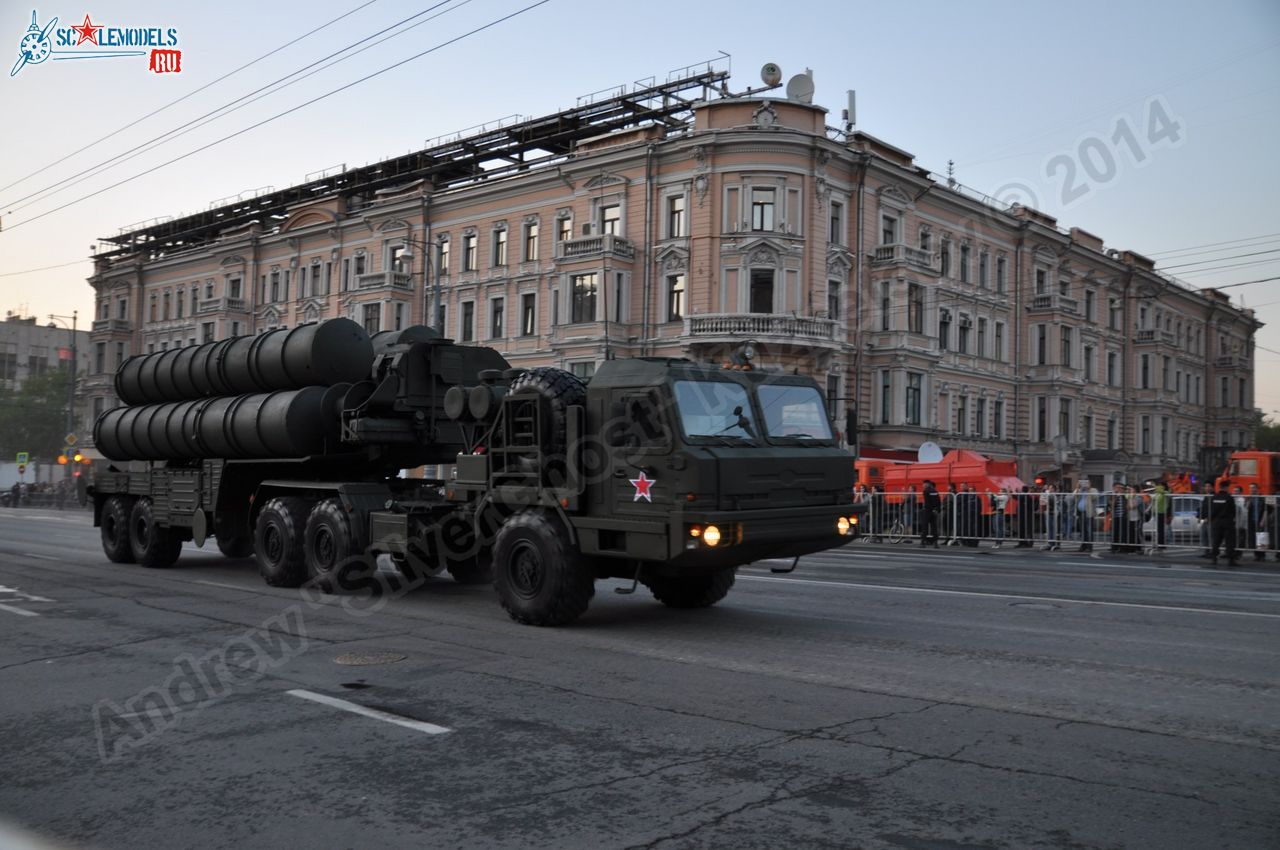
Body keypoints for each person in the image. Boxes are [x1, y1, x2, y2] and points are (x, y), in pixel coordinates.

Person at [1208, 480, 1239, 567]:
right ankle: (1230, 560)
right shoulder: (1229, 497)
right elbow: (1233, 511)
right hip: (1227, 522)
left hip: (1217, 522)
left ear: (1220, 487)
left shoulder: (1214, 497)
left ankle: (1214, 559)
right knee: (1229, 542)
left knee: (1216, 541)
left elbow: (1212, 511)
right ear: (1226, 487)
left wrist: (1213, 519)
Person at [1247, 483, 1267, 561]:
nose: (1252, 490)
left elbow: (1265, 510)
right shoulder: (1249, 498)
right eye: (1250, 488)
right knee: (1253, 538)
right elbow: (1246, 508)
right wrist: (1248, 501)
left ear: (1257, 489)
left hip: (1259, 520)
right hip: (1251, 520)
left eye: (1253, 488)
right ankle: (1256, 555)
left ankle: (1262, 555)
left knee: (1261, 538)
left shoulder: (1261, 498)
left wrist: (1263, 520)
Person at [920, 480, 941, 548]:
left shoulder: (926, 491)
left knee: (925, 527)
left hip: (927, 511)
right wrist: (937, 509)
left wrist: (926, 509)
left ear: (927, 484)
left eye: (923, 484)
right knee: (934, 527)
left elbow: (927, 502)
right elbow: (938, 501)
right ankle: (935, 543)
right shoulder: (935, 491)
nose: (923, 485)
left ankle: (923, 543)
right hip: (934, 511)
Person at [1077, 482, 1097, 552]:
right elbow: (1074, 497)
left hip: (1088, 513)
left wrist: (1088, 490)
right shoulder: (1080, 490)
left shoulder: (1093, 490)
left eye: (1086, 483)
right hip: (1080, 512)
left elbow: (1094, 497)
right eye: (1083, 483)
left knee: (1089, 530)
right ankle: (1083, 545)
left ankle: (1089, 546)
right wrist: (1077, 488)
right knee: (1083, 530)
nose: (1085, 485)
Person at [1109, 482, 1127, 553]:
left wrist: (1122, 495)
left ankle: (1122, 547)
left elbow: (1127, 504)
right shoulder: (1112, 495)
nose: (1119, 489)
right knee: (1114, 532)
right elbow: (1112, 504)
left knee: (1122, 532)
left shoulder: (1124, 495)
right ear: (1114, 488)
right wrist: (1116, 496)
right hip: (1115, 516)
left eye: (1121, 488)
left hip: (1123, 516)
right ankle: (1114, 547)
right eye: (1118, 487)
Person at [1152, 482, 1170, 551]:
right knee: (1158, 530)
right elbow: (1154, 501)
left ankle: (1161, 545)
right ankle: (1158, 544)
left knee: (1161, 530)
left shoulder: (1165, 493)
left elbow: (1167, 494)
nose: (1159, 487)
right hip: (1157, 513)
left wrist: (1160, 490)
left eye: (1160, 486)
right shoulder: (1158, 494)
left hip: (1162, 513)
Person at [1041, 484, 1060, 551]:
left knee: (1054, 528)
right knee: (1049, 529)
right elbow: (1043, 501)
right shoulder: (1048, 494)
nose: (1050, 489)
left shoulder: (1054, 495)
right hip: (1049, 512)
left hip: (1054, 513)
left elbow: (1054, 502)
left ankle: (1054, 543)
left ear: (1054, 489)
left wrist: (1046, 499)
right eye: (1049, 488)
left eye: (1051, 488)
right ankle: (1050, 543)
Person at [1197, 482, 1213, 558]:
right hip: (1205, 519)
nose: (1207, 488)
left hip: (1211, 520)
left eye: (1209, 486)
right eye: (1206, 486)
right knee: (1204, 536)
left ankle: (1212, 552)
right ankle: (1206, 551)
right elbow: (1203, 508)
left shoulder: (1213, 496)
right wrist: (1200, 516)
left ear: (1212, 487)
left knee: (1210, 537)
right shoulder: (1206, 496)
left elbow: (1214, 509)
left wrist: (1209, 518)